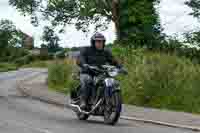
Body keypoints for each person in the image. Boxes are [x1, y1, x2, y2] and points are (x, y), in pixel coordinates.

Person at [78, 32, 124, 110]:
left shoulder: (106, 52)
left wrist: (120, 67)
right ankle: (83, 101)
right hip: (87, 72)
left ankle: (104, 100)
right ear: (93, 42)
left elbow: (113, 61)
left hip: (100, 72)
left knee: (110, 82)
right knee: (88, 80)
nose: (100, 43)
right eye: (98, 41)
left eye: (101, 41)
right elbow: (80, 58)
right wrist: (84, 64)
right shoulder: (86, 50)